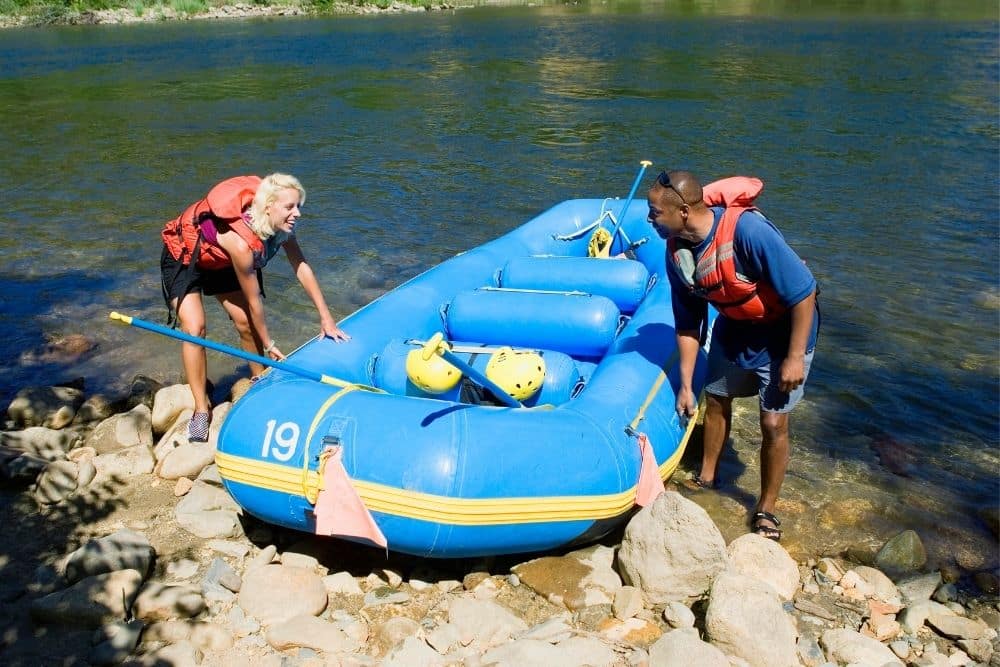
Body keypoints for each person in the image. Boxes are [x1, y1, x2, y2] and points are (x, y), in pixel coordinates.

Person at [646, 170, 819, 541]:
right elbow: (689, 323)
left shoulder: (748, 232)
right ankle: (708, 477)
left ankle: (766, 509)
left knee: (773, 424)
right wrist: (687, 385)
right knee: (718, 397)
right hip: (737, 325)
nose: (650, 219)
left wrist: (793, 357)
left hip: (784, 330)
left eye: (655, 213)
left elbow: (805, 293)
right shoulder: (677, 252)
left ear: (685, 213)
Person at [160, 173, 349, 442]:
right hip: (184, 256)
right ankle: (201, 409)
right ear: (268, 206)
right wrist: (270, 344)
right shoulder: (240, 242)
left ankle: (259, 382)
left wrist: (326, 318)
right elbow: (253, 300)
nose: (297, 213)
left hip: (219, 261)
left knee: (245, 322)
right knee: (195, 327)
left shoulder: (282, 228)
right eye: (290, 207)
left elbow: (302, 267)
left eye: (299, 206)